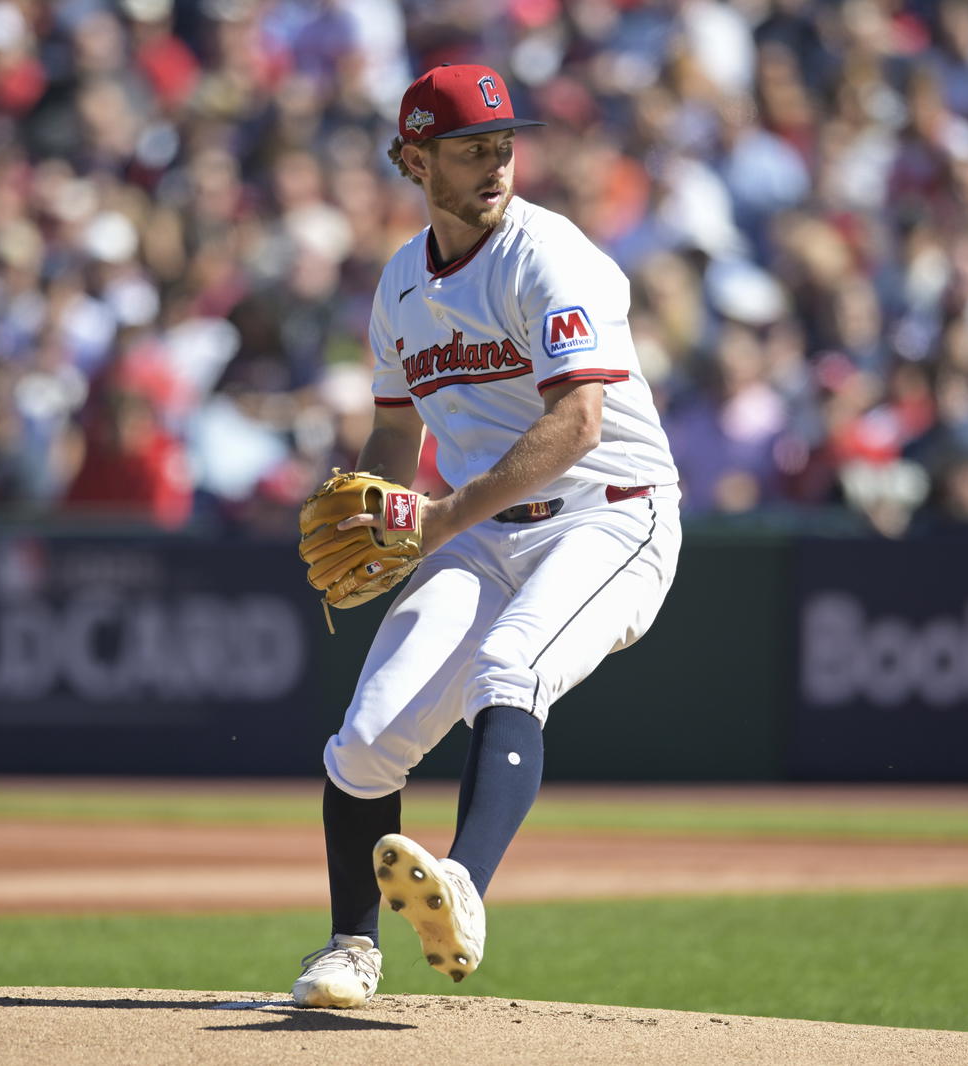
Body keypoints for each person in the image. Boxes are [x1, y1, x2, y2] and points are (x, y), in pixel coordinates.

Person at [291, 64, 682, 1009]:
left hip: (611, 511)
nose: (496, 162)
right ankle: (350, 949)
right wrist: (383, 508)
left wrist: (432, 523)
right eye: (471, 149)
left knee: (511, 670)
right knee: (366, 740)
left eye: (504, 143)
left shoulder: (553, 255)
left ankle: (461, 884)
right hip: (481, 531)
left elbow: (578, 422)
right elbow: (395, 429)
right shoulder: (399, 283)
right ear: (414, 159)